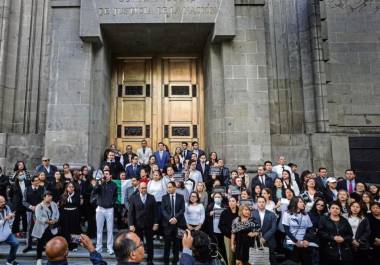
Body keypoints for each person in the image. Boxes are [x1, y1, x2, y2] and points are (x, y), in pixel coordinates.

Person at [128, 182, 159, 265]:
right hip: (137, 225)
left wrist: (156, 223)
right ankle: (138, 259)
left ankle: (150, 260)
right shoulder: (134, 198)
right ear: (139, 189)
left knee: (150, 243)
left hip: (149, 225)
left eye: (145, 188)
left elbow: (156, 211)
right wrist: (131, 224)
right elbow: (130, 212)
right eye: (142, 188)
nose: (143, 189)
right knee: (138, 244)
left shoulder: (151, 198)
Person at [92, 169, 118, 254]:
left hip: (109, 209)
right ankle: (98, 247)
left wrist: (111, 203)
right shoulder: (100, 183)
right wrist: (98, 184)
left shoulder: (114, 185)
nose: (105, 175)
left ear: (110, 176)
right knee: (99, 229)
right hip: (100, 209)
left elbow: (115, 196)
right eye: (104, 174)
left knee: (110, 229)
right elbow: (95, 192)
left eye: (107, 174)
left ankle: (109, 248)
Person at [282, 196, 313, 265]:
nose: (303, 204)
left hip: (304, 243)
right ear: (295, 203)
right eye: (301, 202)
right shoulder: (287, 214)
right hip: (292, 243)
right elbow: (286, 230)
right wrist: (296, 241)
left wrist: (306, 239)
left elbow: (310, 229)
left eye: (303, 202)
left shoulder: (306, 215)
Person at [161, 181, 186, 265]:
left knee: (177, 245)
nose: (169, 188)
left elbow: (182, 210)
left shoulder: (181, 197)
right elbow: (163, 210)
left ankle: (175, 262)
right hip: (167, 225)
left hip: (179, 225)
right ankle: (166, 262)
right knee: (167, 245)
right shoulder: (164, 197)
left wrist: (175, 218)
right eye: (168, 187)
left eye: (170, 187)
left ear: (175, 187)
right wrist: (170, 219)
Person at [32, 190, 60, 265]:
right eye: (48, 196)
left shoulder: (53, 204)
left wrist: (55, 220)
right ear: (44, 197)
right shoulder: (39, 206)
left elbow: (57, 213)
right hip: (42, 228)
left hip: (52, 227)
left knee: (52, 243)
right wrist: (47, 221)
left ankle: (52, 257)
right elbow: (38, 217)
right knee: (40, 244)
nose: (50, 198)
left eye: (51, 196)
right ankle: (39, 259)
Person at [22, 175, 45, 253]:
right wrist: (31, 207)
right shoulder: (27, 189)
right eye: (35, 180)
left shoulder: (42, 189)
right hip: (29, 212)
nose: (37, 182)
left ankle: (41, 246)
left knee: (40, 228)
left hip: (40, 212)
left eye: (38, 180)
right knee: (29, 229)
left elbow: (45, 200)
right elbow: (24, 201)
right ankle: (28, 246)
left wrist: (38, 206)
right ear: (32, 182)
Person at [252, 196, 277, 265]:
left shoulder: (272, 214)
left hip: (269, 240)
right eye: (259, 202)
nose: (261, 203)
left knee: (271, 260)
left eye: (263, 202)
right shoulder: (252, 214)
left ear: (265, 203)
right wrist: (258, 237)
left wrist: (264, 238)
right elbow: (251, 227)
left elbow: (274, 228)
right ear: (257, 203)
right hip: (256, 240)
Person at [59, 182, 82, 251]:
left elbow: (78, 206)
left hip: (74, 214)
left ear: (74, 188)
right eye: (69, 187)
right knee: (66, 230)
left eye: (72, 187)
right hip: (65, 214)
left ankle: (74, 245)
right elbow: (61, 207)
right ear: (66, 188)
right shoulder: (63, 196)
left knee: (74, 229)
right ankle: (66, 245)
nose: (71, 188)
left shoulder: (78, 195)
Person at [0, 195, 20, 265]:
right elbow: (4, 220)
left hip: (7, 233)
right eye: (1, 202)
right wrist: (4, 219)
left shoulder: (7, 207)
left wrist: (11, 217)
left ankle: (10, 260)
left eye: (4, 201)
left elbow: (10, 221)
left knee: (16, 243)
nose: (3, 203)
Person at [9, 170, 29, 237]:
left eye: (22, 174)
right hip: (17, 203)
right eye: (20, 175)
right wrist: (14, 201)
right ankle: (16, 231)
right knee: (16, 218)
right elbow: (10, 194)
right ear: (17, 176)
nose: (21, 176)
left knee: (24, 218)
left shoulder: (27, 182)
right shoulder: (14, 184)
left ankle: (24, 231)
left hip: (25, 203)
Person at [219, 196, 238, 265]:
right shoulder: (224, 212)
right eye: (230, 201)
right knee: (230, 257)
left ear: (236, 202)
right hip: (228, 237)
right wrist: (230, 234)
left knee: (239, 257)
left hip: (240, 237)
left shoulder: (240, 211)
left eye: (233, 201)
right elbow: (221, 226)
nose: (231, 203)